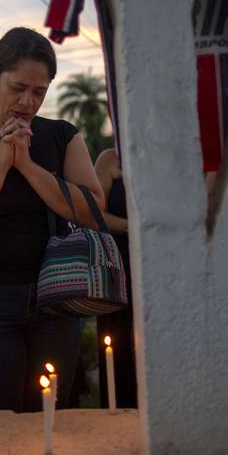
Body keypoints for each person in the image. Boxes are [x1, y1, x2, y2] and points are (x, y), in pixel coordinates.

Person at [0, 27, 104, 412]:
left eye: (39, 91)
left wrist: (29, 166)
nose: (27, 101)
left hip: (55, 295)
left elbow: (94, 212)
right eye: (18, 88)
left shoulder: (62, 137)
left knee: (52, 413)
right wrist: (1, 165)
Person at [93, 147, 138, 408]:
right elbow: (94, 215)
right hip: (119, 265)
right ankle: (119, 408)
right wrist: (133, 226)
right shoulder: (110, 158)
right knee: (117, 343)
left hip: (164, 262)